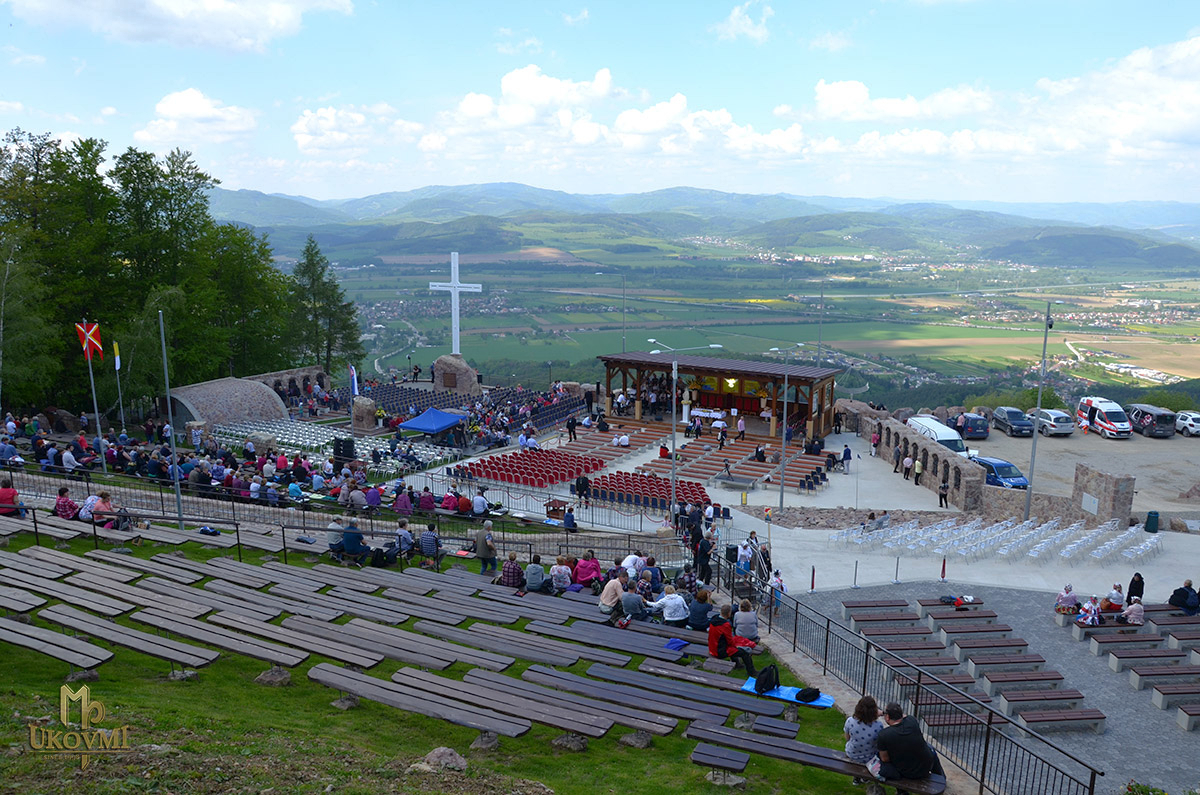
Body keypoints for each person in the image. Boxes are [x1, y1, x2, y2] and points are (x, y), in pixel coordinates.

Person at [875, 702, 943, 785]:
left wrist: (882, 713)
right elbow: (905, 716)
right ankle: (941, 777)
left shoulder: (883, 735)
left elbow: (885, 759)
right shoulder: (912, 721)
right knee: (930, 748)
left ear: (888, 717)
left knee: (882, 760)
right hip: (926, 767)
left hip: (906, 773)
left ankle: (901, 790)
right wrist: (886, 713)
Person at [708, 603, 756, 675]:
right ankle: (751, 671)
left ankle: (737, 664)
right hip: (720, 651)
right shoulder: (725, 625)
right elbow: (730, 641)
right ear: (729, 613)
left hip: (712, 647)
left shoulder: (714, 619)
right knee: (744, 653)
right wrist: (738, 645)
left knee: (732, 649)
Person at [844, 696, 884, 782]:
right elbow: (878, 743)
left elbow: (847, 738)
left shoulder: (850, 721)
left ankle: (856, 778)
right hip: (870, 757)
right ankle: (865, 778)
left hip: (852, 754)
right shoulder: (878, 726)